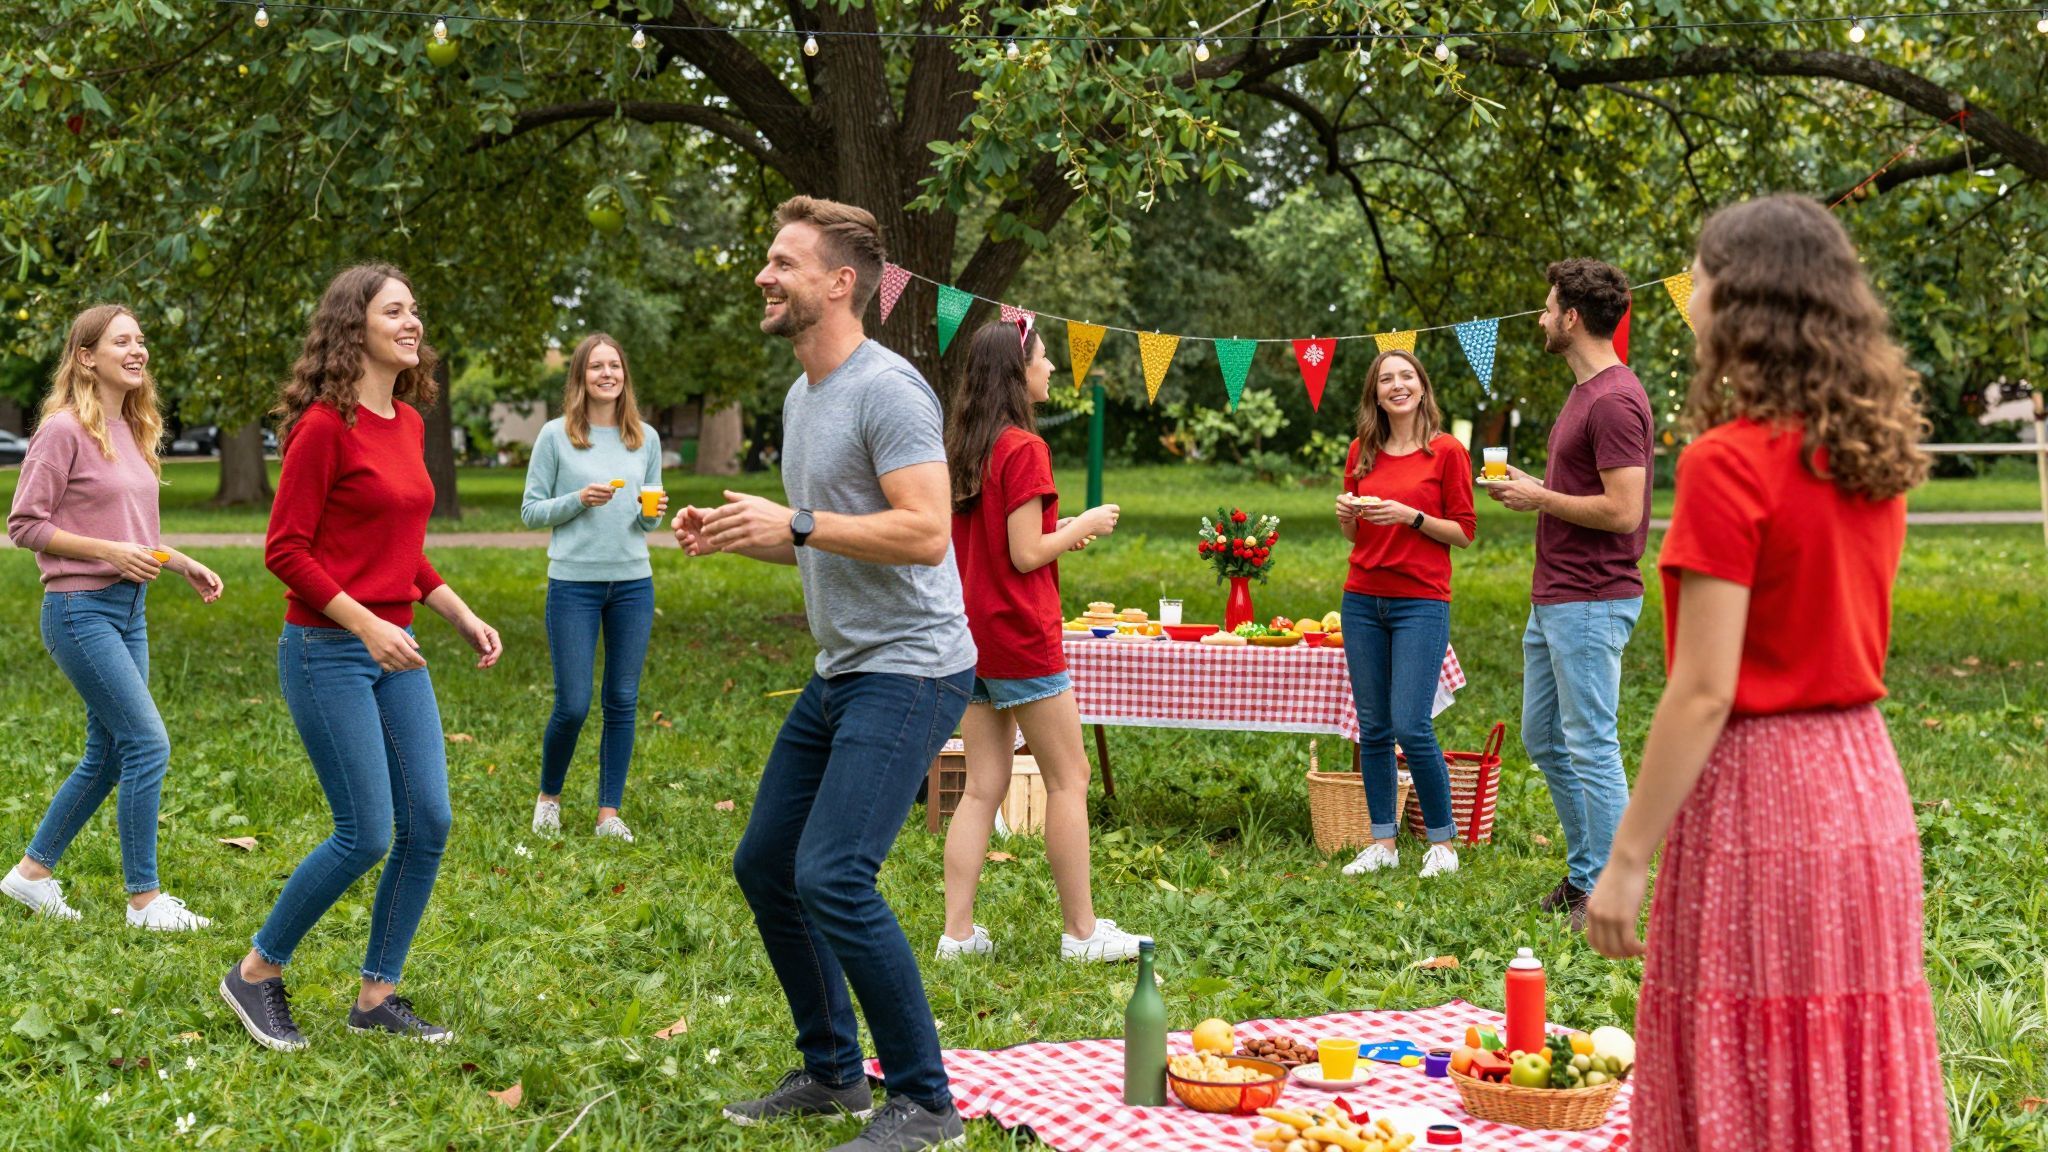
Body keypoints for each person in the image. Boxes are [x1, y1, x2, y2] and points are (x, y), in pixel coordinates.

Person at [1586, 194, 1947, 1149]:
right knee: (1842, 1053)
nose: (1688, 296)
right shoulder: (1868, 455)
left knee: (1743, 1046)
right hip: (1863, 788)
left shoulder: (1726, 462)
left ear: (1741, 301)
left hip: (1760, 800)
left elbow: (1705, 689)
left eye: (1699, 275)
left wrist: (1624, 863)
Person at [673, 197, 973, 1152]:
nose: (764, 276)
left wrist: (795, 521)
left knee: (835, 874)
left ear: (841, 283)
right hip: (844, 668)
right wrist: (749, 535)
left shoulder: (889, 390)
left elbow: (925, 533)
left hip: (914, 667)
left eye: (783, 262)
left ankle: (925, 1104)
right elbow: (829, 541)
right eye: (766, 260)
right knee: (768, 865)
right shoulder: (805, 396)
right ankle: (836, 1074)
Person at [220, 264, 503, 1052]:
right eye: (394, 311)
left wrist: (456, 611)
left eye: (415, 310)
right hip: (326, 649)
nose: (412, 323)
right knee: (365, 832)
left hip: (394, 648)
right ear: (355, 327)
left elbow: (398, 550)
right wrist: (364, 624)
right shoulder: (322, 425)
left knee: (431, 819)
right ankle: (254, 974)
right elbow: (286, 550)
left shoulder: (407, 424)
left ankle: (377, 995)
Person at [3, 305, 223, 930]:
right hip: (79, 610)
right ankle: (144, 900)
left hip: (130, 610)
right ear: (85, 357)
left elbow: (127, 528)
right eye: (120, 341)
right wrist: (111, 554)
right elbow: (24, 525)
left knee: (109, 751)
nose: (137, 351)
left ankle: (30, 876)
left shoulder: (130, 427)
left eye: (140, 340)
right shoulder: (61, 430)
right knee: (147, 742)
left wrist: (178, 560)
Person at [935, 318, 1138, 964]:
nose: (1051, 370)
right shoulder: (1024, 448)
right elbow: (1026, 554)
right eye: (1044, 359)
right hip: (1021, 636)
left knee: (980, 786)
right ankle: (1082, 933)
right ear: (1018, 373)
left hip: (973, 639)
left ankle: (957, 935)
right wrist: (1083, 526)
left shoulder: (967, 445)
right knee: (1069, 777)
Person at [1485, 258, 1651, 929]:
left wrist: (1541, 497)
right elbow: (1586, 490)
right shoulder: (1584, 393)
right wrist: (1538, 486)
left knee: (1591, 744)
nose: (1541, 317)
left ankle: (1611, 895)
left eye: (1549, 306)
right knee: (1545, 738)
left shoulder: (1613, 400)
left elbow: (1623, 511)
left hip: (1591, 598)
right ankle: (1587, 874)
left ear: (1573, 318)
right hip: (1556, 595)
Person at [1333, 350, 1475, 880]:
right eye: (1386, 379)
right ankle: (1382, 843)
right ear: (1375, 393)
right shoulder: (1361, 452)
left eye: (1406, 376)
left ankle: (1442, 844)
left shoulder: (1446, 453)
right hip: (1362, 599)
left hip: (1421, 601)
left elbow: (1463, 532)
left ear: (1421, 386)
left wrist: (1413, 517)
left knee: (1411, 724)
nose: (1397, 385)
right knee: (1371, 729)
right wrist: (1347, 516)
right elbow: (1355, 534)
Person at [520, 333, 667, 843]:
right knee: (574, 703)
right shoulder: (555, 436)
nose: (608, 374)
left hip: (632, 583)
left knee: (622, 699)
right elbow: (531, 510)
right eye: (596, 367)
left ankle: (608, 814)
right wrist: (578, 499)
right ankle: (549, 800)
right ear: (580, 376)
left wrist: (653, 514)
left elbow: (644, 524)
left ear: (625, 375)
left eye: (615, 366)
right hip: (573, 585)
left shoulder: (644, 438)